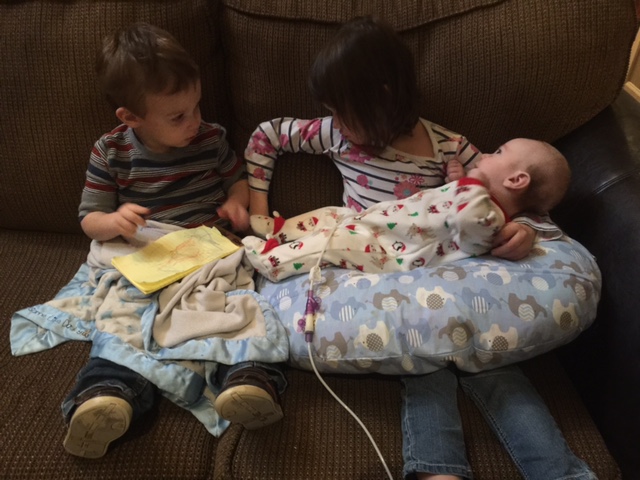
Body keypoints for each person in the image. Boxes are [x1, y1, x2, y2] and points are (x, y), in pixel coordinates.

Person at [245, 15, 595, 480]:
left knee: (491, 365)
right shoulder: (332, 133)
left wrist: (527, 228)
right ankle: (438, 468)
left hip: (443, 270)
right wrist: (256, 208)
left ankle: (559, 471)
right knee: (423, 362)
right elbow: (266, 136)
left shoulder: (450, 149)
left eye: (345, 112)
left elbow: (520, 190)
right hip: (374, 266)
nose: (338, 124)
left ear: (384, 98)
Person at [63, 23, 286, 459]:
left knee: (241, 311)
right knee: (124, 324)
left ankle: (249, 381)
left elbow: (236, 181)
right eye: (178, 116)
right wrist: (116, 221)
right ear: (130, 117)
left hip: (208, 253)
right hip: (149, 256)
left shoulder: (211, 139)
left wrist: (238, 205)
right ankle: (105, 396)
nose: (195, 123)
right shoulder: (110, 153)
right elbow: (90, 221)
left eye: (197, 107)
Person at [243, 138, 570, 282]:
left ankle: (270, 262)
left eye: (499, 151)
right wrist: (459, 181)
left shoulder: (491, 217)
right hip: (376, 221)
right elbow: (449, 204)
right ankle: (280, 233)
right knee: (332, 214)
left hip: (389, 252)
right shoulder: (478, 197)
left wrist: (473, 182)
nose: (486, 153)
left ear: (516, 179)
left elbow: (467, 221)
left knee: (336, 241)